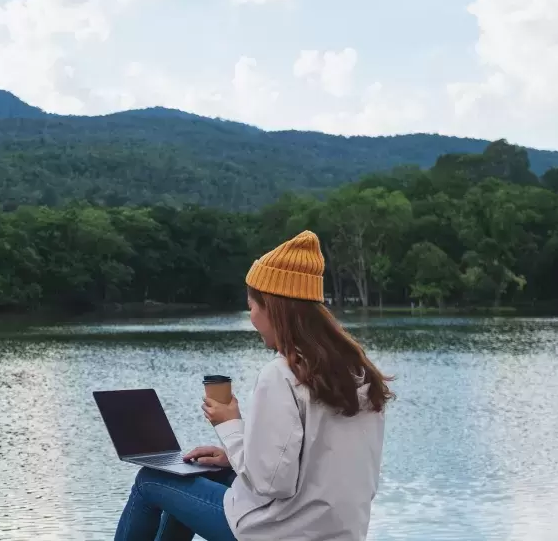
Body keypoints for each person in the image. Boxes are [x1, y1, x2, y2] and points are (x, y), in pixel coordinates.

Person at [113, 230, 393, 541]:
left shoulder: (282, 374)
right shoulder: (359, 372)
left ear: (272, 308)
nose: (251, 318)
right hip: (338, 532)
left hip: (280, 533)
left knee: (150, 481)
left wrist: (230, 424)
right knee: (206, 473)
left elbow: (273, 482)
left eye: (252, 307)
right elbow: (308, 465)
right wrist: (233, 455)